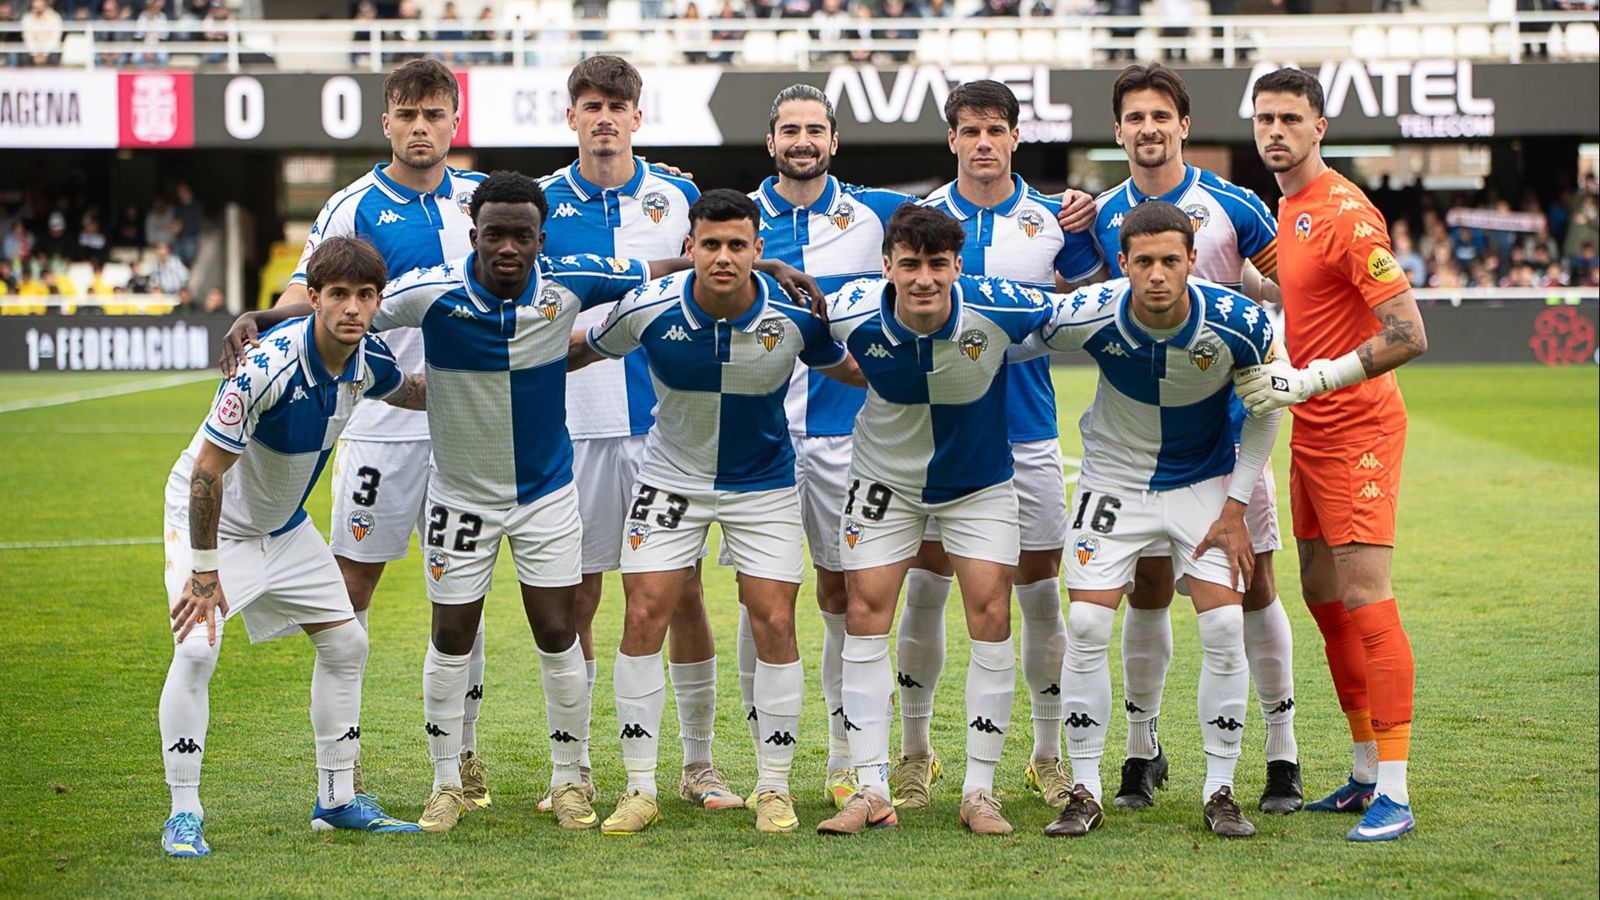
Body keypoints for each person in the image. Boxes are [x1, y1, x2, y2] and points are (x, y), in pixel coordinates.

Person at [231, 171, 719, 833]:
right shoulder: (431, 292)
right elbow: (347, 309)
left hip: (546, 496)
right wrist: (260, 318)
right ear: (475, 234)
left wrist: (767, 263)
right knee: (451, 635)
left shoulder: (570, 280)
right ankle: (446, 785)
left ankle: (569, 781)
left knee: (559, 633)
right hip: (459, 499)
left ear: (541, 239)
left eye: (522, 235)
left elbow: (665, 265)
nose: (508, 247)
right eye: (495, 234)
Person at [224, 59, 494, 812]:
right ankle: (347, 758)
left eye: (434, 114)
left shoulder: (481, 200)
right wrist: (263, 317)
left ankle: (463, 753)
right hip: (377, 420)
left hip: (467, 426)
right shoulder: (353, 203)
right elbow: (305, 290)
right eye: (407, 114)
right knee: (351, 588)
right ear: (386, 122)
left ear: (453, 121)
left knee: (462, 594)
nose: (420, 127)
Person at [572, 190, 863, 835]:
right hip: (670, 481)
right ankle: (640, 788)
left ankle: (774, 789)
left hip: (761, 487)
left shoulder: (793, 316)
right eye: (710, 245)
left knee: (775, 621)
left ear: (759, 251)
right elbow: (575, 348)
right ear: (689, 250)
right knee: (644, 613)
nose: (723, 257)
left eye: (737, 245)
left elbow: (853, 370)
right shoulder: (646, 308)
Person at [156, 236, 425, 858]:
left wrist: (484, 385)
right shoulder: (264, 367)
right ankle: (183, 812)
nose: (352, 309)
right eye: (338, 295)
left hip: (284, 526)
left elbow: (408, 390)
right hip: (214, 523)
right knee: (196, 653)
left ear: (378, 300)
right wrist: (203, 573)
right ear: (314, 299)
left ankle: (335, 801)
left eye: (364, 296)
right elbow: (204, 474)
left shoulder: (367, 361)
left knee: (346, 642)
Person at [1023, 201, 1281, 840]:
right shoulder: (1090, 312)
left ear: (1193, 261)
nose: (1158, 274)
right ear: (1124, 264)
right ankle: (1083, 791)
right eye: (1144, 262)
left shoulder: (1240, 322)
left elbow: (1269, 411)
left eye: (1171, 260)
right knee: (1085, 622)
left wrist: (1235, 506)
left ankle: (1219, 790)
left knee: (1223, 627)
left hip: (1204, 484)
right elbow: (1018, 327)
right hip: (1114, 480)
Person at [1086, 64, 1301, 815]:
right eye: (1134, 117)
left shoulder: (1236, 206)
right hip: (1139, 445)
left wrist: (1276, 349)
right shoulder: (1096, 216)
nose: (1148, 128)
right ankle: (1143, 750)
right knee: (1144, 588)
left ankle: (1281, 754)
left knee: (1255, 586)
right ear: (1118, 131)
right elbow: (1073, 306)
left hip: (1235, 439)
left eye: (1161, 116)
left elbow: (1292, 287)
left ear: (1183, 124)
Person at [815, 206, 1057, 837]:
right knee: (864, 613)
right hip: (884, 484)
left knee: (991, 614)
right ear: (887, 264)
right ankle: (870, 787)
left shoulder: (1000, 306)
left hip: (976, 486)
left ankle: (980, 791)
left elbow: (1075, 316)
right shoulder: (850, 308)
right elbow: (795, 329)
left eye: (937, 265)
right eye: (910, 264)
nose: (923, 278)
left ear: (956, 267)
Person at [899, 80, 1102, 813]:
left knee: (1040, 592)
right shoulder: (917, 220)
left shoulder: (1055, 221)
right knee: (926, 587)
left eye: (995, 129)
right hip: (936, 431)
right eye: (969, 130)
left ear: (1015, 137)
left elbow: (1088, 308)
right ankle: (916, 752)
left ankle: (1046, 756)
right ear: (951, 139)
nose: (983, 141)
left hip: (1026, 430)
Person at [534, 56, 729, 816]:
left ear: (638, 118)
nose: (604, 116)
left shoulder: (675, 193)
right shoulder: (544, 200)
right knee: (578, 595)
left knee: (682, 590)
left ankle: (700, 765)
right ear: (572, 116)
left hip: (663, 425)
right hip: (574, 420)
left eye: (617, 104)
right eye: (591, 104)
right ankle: (575, 768)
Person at [1241, 66, 1428, 843]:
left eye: (1290, 118)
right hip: (1311, 426)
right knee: (1321, 592)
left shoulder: (1348, 212)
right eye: (1265, 119)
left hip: (1357, 429)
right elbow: (1298, 296)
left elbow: (1409, 333)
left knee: (1364, 595)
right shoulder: (1289, 209)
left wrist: (1317, 375)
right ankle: (1359, 771)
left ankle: (1396, 789)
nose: (1275, 131)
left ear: (1320, 126)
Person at [746, 84, 919, 811]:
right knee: (765, 598)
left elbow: (955, 236)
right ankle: (765, 763)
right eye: (790, 130)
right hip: (756, 439)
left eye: (815, 130)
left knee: (844, 595)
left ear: (834, 140)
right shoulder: (740, 221)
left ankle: (847, 754)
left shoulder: (878, 213)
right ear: (771, 141)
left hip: (846, 437)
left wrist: (1073, 210)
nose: (803, 141)